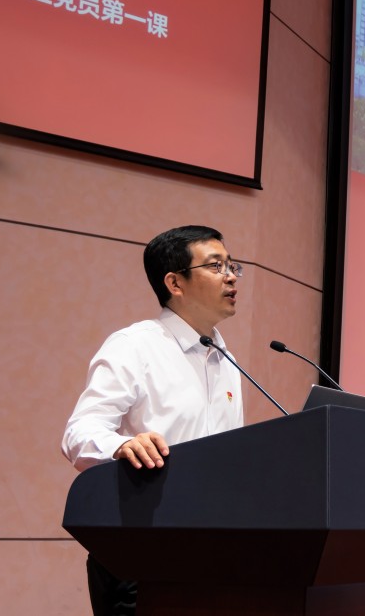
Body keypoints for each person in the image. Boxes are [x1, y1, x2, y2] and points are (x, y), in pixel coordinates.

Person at [62, 225, 245, 616]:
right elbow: (79, 432)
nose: (231, 277)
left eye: (232, 266)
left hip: (213, 553)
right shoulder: (136, 346)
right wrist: (123, 444)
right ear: (175, 283)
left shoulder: (225, 358)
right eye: (216, 266)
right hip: (142, 552)